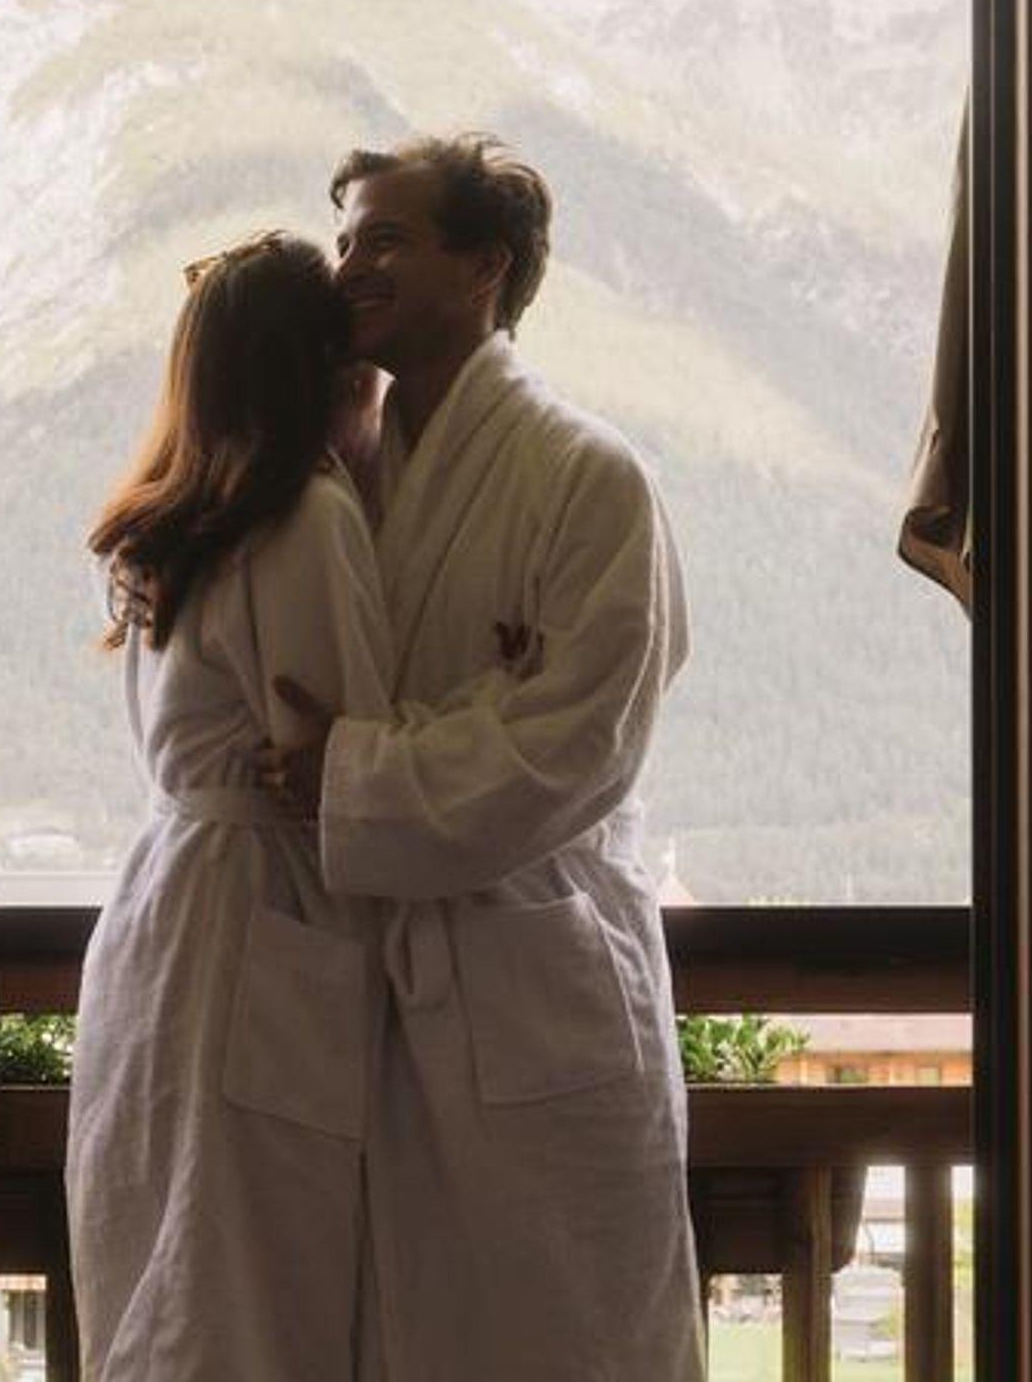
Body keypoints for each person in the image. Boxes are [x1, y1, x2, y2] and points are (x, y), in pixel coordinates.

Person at [259, 134, 704, 1381]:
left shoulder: (587, 476)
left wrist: (350, 773)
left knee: (563, 1335)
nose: (350, 265)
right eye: (344, 239)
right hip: (368, 998)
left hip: (530, 981)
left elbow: (579, 741)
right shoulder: (338, 472)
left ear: (483, 267)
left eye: (387, 238)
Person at [67, 231, 394, 1381]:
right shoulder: (307, 517)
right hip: (270, 902)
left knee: (163, 1247)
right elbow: (355, 740)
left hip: (160, 916)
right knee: (260, 1269)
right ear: (324, 370)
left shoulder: (168, 532)